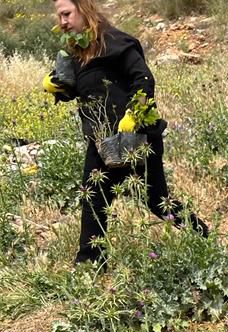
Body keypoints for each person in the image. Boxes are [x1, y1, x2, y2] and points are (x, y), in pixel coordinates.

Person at [42, 0, 207, 266]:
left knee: (158, 202)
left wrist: (134, 114)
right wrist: (56, 86)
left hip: (136, 139)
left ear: (84, 10)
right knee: (93, 200)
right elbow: (79, 88)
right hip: (102, 142)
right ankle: (89, 265)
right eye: (59, 16)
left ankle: (203, 237)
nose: (62, 22)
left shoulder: (115, 42)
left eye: (66, 14)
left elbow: (143, 79)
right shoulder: (77, 52)